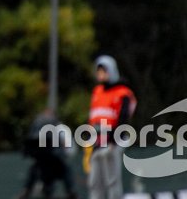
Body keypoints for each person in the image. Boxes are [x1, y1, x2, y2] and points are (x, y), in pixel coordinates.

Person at [85, 55, 136, 199]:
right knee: (95, 181)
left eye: (104, 71)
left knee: (112, 179)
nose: (101, 74)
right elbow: (93, 116)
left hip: (111, 140)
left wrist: (115, 139)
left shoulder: (123, 92)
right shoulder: (97, 91)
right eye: (99, 71)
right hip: (97, 141)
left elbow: (124, 117)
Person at [18, 108, 78, 199]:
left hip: (54, 163)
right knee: (63, 171)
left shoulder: (59, 129)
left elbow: (69, 149)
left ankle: (70, 191)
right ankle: (26, 190)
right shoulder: (40, 128)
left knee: (65, 171)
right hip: (47, 164)